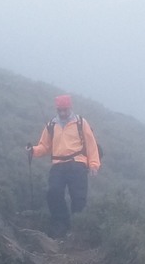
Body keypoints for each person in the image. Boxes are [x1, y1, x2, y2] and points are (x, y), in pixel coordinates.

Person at [26, 95, 101, 237]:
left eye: (65, 110)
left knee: (78, 198)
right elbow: (44, 146)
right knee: (53, 193)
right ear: (57, 109)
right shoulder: (51, 125)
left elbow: (91, 144)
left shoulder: (80, 122)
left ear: (70, 108)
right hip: (58, 165)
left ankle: (78, 229)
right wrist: (33, 151)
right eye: (60, 110)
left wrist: (94, 164)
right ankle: (61, 225)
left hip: (77, 164)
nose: (62, 113)